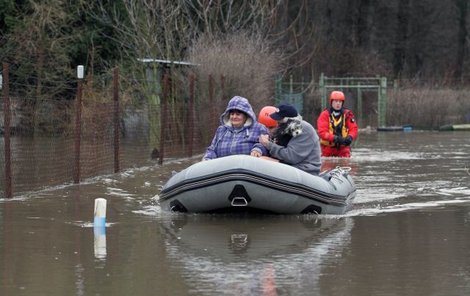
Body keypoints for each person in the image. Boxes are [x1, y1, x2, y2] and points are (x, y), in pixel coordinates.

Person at [258, 104, 322, 175]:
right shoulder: (286, 131)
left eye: (279, 122)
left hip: (306, 170)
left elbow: (291, 157)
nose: (278, 125)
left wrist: (268, 144)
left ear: (289, 121)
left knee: (266, 162)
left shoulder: (302, 129)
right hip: (293, 167)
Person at [202, 96, 269, 160]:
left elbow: (266, 145)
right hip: (223, 169)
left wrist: (258, 149)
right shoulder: (221, 130)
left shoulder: (259, 128)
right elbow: (212, 149)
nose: (234, 117)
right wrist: (208, 158)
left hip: (249, 169)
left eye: (238, 114)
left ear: (246, 115)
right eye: (232, 114)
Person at [317, 91, 358, 158]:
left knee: (347, 164)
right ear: (331, 102)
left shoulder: (348, 114)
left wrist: (350, 137)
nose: (338, 103)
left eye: (340, 101)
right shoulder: (324, 115)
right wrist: (336, 138)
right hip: (328, 149)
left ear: (342, 103)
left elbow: (353, 128)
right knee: (327, 166)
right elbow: (322, 133)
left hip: (343, 149)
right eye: (336, 101)